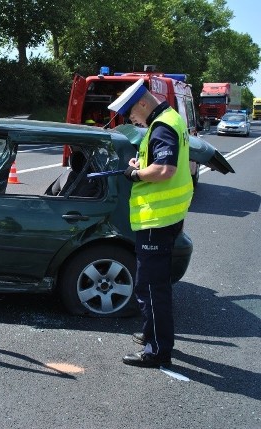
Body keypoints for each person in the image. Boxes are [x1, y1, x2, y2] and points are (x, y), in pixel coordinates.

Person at [107, 78, 193, 368]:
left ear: (143, 104)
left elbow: (165, 169)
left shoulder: (162, 126)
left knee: (151, 289)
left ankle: (157, 352)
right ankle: (152, 336)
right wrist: (140, 165)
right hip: (167, 217)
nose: (131, 119)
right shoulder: (171, 119)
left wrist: (135, 175)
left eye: (131, 114)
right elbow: (160, 161)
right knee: (154, 285)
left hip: (157, 219)